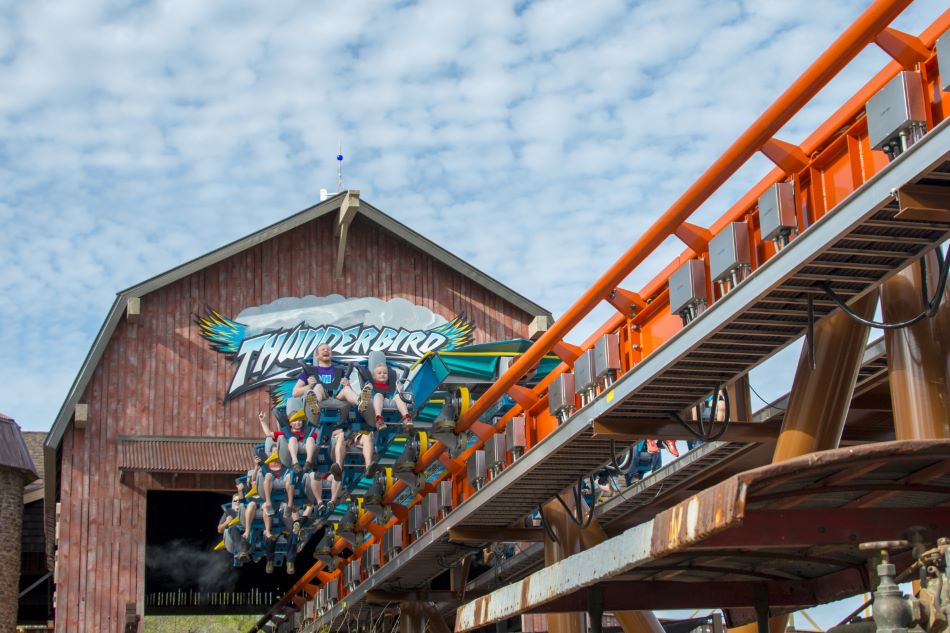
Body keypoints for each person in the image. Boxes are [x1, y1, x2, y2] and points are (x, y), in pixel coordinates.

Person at [370, 361, 412, 431]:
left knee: (398, 396)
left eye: (385, 373)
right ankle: (378, 418)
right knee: (378, 395)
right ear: (374, 377)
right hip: (378, 401)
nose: (382, 374)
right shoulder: (372, 385)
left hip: (392, 399)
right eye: (379, 373)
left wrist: (401, 389)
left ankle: (406, 418)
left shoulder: (393, 385)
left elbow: (399, 391)